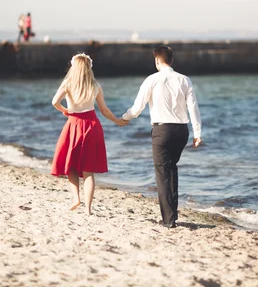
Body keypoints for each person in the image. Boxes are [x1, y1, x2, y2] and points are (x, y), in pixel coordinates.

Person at [122, 46, 202, 228]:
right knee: (171, 170)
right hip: (182, 131)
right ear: (171, 61)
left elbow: (137, 108)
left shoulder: (152, 80)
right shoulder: (185, 80)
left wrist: (124, 118)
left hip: (162, 131)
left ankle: (168, 220)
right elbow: (193, 108)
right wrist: (197, 133)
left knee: (163, 174)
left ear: (157, 61)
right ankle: (172, 215)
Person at [51, 53, 128, 215]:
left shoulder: (68, 83)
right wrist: (118, 121)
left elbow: (54, 102)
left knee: (70, 165)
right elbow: (104, 111)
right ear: (88, 68)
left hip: (73, 125)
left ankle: (75, 198)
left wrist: (65, 111)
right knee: (88, 170)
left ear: (74, 67)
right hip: (92, 126)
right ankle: (88, 209)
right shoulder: (95, 86)